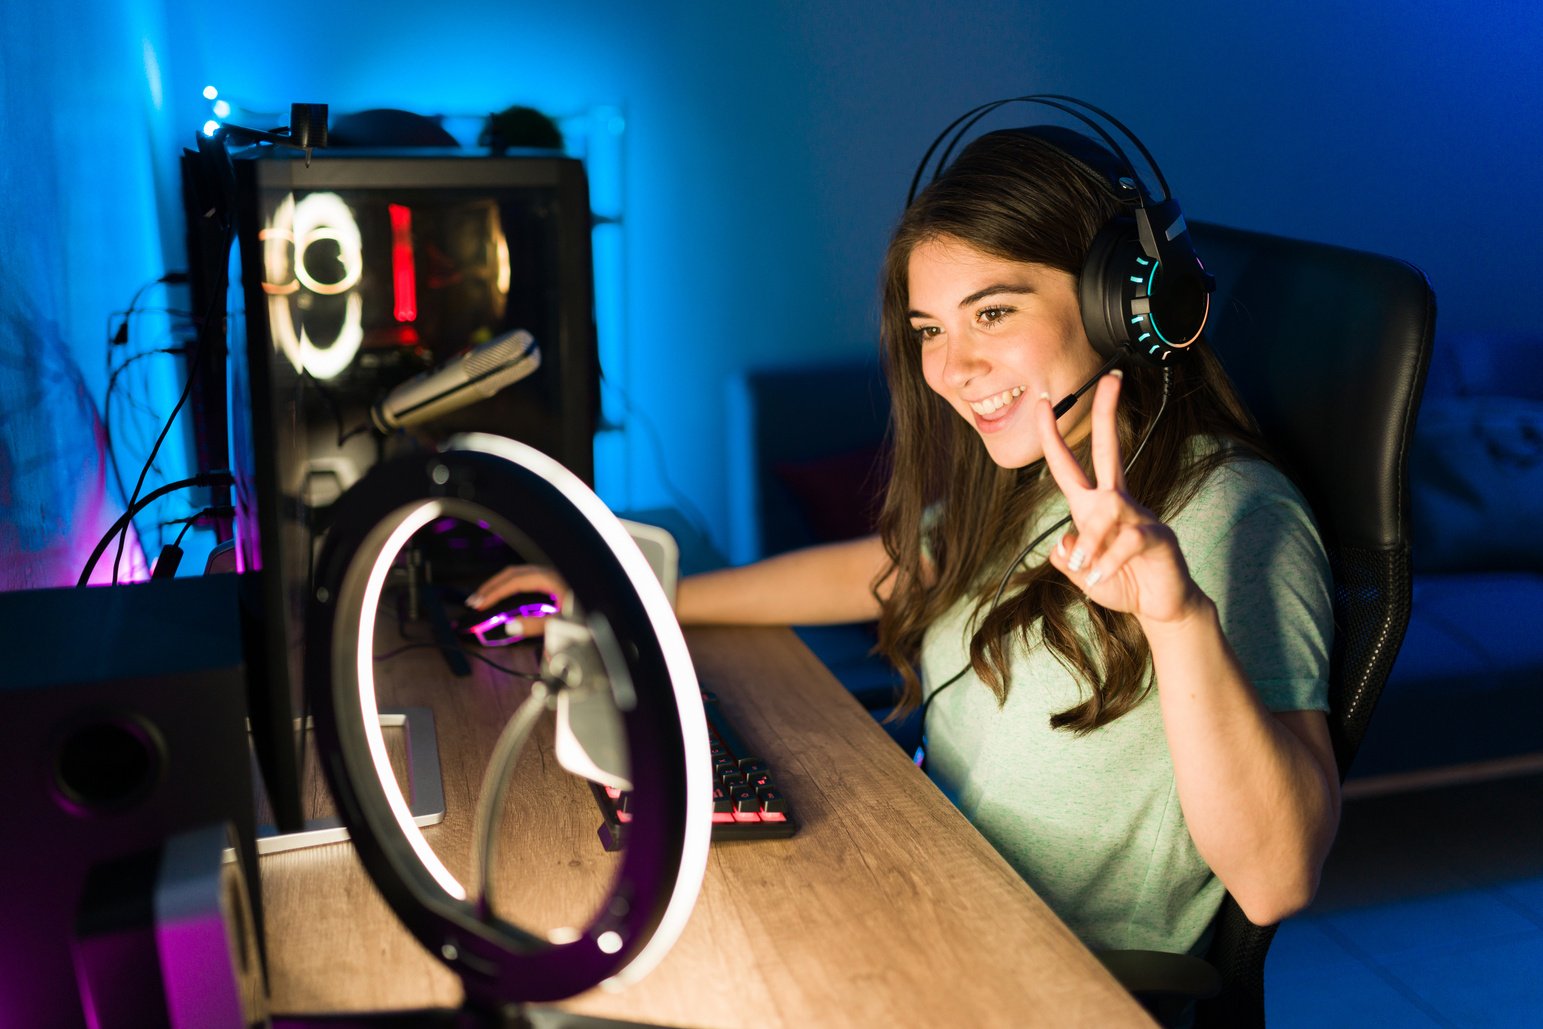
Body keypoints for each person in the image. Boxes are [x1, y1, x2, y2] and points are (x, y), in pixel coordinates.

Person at [467, 122, 1341, 959]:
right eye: (930, 331)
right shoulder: (1031, 473)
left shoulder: (1237, 513)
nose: (950, 370)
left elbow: (1275, 879)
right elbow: (894, 566)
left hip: (1045, 970)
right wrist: (637, 595)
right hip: (924, 877)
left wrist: (1176, 616)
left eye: (991, 314)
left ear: (1122, 304)